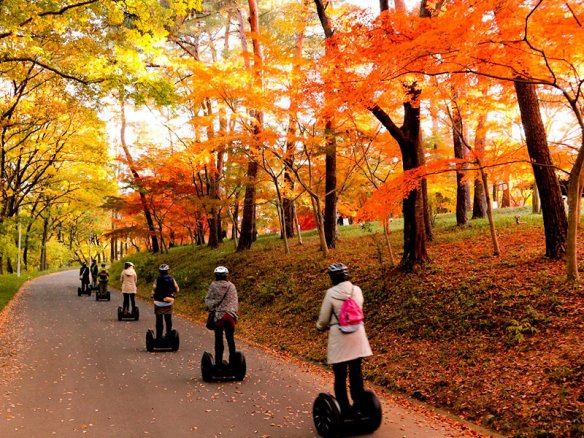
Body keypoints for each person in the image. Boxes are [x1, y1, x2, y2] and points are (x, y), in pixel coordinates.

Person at [316, 263, 372, 416]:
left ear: (332, 277)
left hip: (339, 339)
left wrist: (320, 327)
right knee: (356, 372)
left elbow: (323, 319)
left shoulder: (331, 293)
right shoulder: (357, 290)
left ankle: (344, 409)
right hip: (358, 337)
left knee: (340, 375)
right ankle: (360, 404)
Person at [205, 266, 238, 370]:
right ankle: (233, 364)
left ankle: (218, 364)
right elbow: (235, 301)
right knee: (230, 339)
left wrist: (211, 307)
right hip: (230, 316)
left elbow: (209, 300)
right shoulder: (231, 286)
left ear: (216, 275)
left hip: (219, 316)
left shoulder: (213, 285)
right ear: (226, 275)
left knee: (218, 340)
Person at [151, 264, 179, 340]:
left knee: (159, 320)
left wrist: (152, 295)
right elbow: (177, 289)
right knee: (168, 320)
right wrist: (173, 293)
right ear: (167, 271)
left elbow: (154, 289)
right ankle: (168, 335)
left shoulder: (157, 279)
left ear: (160, 271)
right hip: (169, 302)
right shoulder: (171, 279)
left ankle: (159, 337)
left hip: (158, 302)